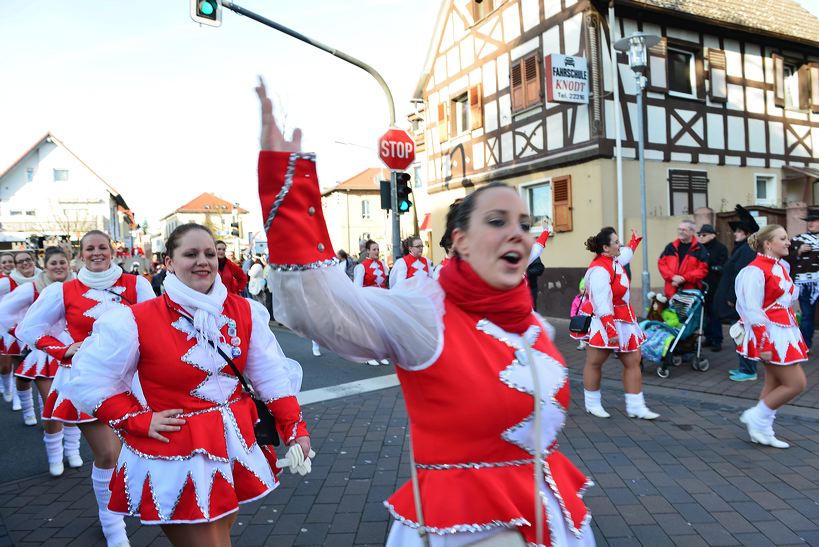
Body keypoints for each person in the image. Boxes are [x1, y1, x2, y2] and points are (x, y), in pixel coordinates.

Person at [255, 78, 592, 546]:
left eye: (523, 223)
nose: (517, 232)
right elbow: (324, 309)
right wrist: (287, 190)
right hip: (466, 528)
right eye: (497, 221)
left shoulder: (534, 328)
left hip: (551, 513)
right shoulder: (426, 314)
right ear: (461, 241)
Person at [65, 223, 312, 546]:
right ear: (168, 262)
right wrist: (137, 419)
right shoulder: (135, 319)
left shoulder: (245, 311)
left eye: (209, 254)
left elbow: (271, 377)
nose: (203, 261)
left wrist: (295, 428)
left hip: (234, 443)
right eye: (190, 254)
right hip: (175, 452)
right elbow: (90, 381)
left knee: (221, 531)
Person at [17, 230, 154, 547]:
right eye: (90, 248)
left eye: (102, 247)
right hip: (87, 382)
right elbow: (29, 328)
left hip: (133, 382)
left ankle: (121, 502)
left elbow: (156, 323)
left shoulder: (137, 285)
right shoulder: (63, 291)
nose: (97, 253)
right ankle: (112, 524)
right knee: (107, 453)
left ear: (112, 251)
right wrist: (61, 349)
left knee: (129, 453)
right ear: (81, 254)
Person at [0, 247, 81, 476]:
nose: (58, 267)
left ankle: (73, 451)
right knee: (53, 406)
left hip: (76, 353)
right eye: (53, 263)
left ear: (69, 264)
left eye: (62, 263)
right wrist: (24, 333)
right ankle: (55, 456)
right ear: (45, 266)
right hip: (46, 353)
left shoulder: (79, 286)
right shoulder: (32, 287)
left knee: (73, 404)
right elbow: (4, 311)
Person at [571, 227, 659, 420]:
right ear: (605, 248)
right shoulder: (599, 270)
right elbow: (601, 303)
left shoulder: (614, 260)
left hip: (624, 318)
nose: (621, 245)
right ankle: (592, 404)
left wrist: (634, 241)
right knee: (595, 362)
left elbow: (626, 254)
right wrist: (610, 329)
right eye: (617, 242)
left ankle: (636, 406)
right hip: (605, 320)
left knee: (633, 361)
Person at [735, 225, 808, 448]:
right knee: (797, 384)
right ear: (768, 244)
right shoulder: (756, 270)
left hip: (784, 330)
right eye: (783, 239)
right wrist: (763, 342)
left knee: (774, 382)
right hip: (771, 333)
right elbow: (752, 308)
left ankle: (762, 429)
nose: (788, 242)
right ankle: (755, 417)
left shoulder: (780, 266)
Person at [714, 205, 760, 382]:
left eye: (739, 231)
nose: (736, 234)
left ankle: (749, 370)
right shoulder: (741, 248)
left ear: (747, 234)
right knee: (739, 334)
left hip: (738, 303)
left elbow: (742, 277)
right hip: (736, 302)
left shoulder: (747, 250)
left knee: (742, 334)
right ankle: (745, 366)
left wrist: (734, 299)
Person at [0, 250, 41, 410]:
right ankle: (16, 395)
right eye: (20, 261)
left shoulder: (44, 278)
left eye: (28, 260)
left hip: (41, 331)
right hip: (13, 331)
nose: (25, 263)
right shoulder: (7, 282)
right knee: (14, 368)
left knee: (42, 374)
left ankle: (43, 413)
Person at [353, 241, 390, 366]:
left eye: (378, 249)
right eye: (374, 249)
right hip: (368, 301)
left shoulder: (382, 265)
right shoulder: (362, 267)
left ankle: (380, 354)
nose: (377, 252)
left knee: (381, 329)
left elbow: (385, 283)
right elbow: (357, 287)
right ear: (368, 251)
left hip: (381, 301)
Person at [788, 208, 819, 352]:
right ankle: (805, 345)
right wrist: (798, 251)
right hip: (804, 284)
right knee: (807, 316)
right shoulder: (797, 240)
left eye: (814, 220)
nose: (810, 223)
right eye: (809, 221)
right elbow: (785, 256)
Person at [657, 219, 709, 297]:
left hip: (690, 293)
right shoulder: (670, 247)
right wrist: (672, 277)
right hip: (671, 293)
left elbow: (702, 270)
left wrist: (684, 278)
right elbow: (661, 264)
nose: (680, 232)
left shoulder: (700, 249)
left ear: (692, 232)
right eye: (679, 229)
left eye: (684, 230)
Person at [697, 224, 728, 351]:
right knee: (705, 315)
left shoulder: (721, 248)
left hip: (715, 287)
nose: (701, 237)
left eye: (703, 235)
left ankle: (717, 340)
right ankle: (708, 337)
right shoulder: (699, 248)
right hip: (701, 286)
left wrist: (716, 268)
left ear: (712, 235)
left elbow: (724, 265)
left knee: (714, 314)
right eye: (699, 235)